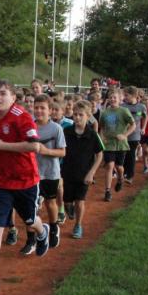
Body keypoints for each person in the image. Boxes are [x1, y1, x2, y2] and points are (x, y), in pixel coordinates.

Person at [0, 80, 50, 293]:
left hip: (25, 180)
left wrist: (3, 146)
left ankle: (41, 230)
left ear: (13, 97)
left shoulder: (22, 117)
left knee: (29, 220)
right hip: (1, 180)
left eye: (2, 94)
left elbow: (35, 146)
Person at [62, 100, 104, 239]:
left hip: (84, 174)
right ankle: (69, 207)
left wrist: (91, 173)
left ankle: (78, 225)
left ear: (88, 116)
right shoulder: (66, 131)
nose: (77, 117)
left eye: (81, 115)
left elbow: (99, 154)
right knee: (67, 201)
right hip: (67, 172)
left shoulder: (92, 135)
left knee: (80, 201)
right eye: (75, 114)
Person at [30, 94, 65, 249]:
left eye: (42, 108)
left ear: (50, 110)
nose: (39, 111)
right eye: (36, 108)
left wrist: (46, 151)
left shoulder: (56, 128)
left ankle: (53, 227)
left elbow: (62, 152)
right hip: (32, 173)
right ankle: (31, 239)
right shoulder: (30, 126)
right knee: (31, 206)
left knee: (51, 202)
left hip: (51, 172)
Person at [99, 88, 135, 202]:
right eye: (110, 97)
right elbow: (102, 128)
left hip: (120, 144)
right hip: (108, 144)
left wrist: (125, 135)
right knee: (109, 166)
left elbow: (133, 125)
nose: (112, 99)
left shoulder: (124, 111)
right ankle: (108, 191)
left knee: (119, 167)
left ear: (120, 99)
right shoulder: (104, 112)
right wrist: (102, 137)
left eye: (115, 97)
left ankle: (120, 179)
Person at [121, 86, 148, 182]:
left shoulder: (141, 107)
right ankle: (123, 173)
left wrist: (143, 127)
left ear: (134, 95)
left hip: (135, 135)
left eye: (126, 95)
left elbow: (144, 117)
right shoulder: (122, 106)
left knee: (131, 154)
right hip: (123, 134)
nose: (125, 97)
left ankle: (130, 176)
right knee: (124, 154)